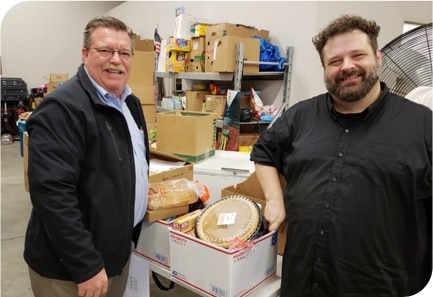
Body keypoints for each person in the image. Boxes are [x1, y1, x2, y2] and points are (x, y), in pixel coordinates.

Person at [251, 14, 432, 296]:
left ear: (378, 57)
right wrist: (275, 200)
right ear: (324, 68)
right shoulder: (300, 116)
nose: (346, 67)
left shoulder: (423, 126)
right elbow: (263, 150)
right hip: (301, 282)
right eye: (335, 61)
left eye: (357, 55)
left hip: (379, 286)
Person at [24, 15, 150, 297]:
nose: (116, 60)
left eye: (124, 53)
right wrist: (86, 265)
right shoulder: (62, 109)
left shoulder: (129, 102)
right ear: (85, 54)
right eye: (105, 50)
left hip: (114, 256)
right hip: (71, 272)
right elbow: (52, 195)